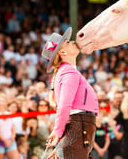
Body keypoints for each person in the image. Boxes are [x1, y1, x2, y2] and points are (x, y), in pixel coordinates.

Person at [41, 27, 99, 159]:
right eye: (67, 42)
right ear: (62, 52)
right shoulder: (68, 72)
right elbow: (64, 105)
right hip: (79, 127)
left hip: (78, 128)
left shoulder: (66, 71)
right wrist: (57, 132)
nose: (72, 41)